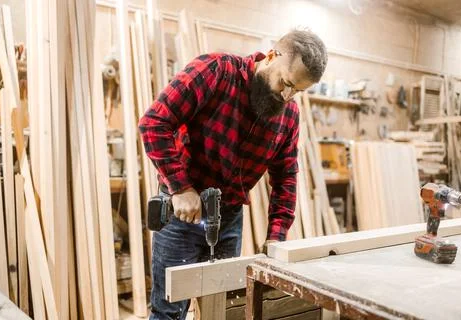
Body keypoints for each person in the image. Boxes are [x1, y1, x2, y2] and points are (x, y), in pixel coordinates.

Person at [138, 29, 328, 320]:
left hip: (228, 219)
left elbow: (286, 176)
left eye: (297, 91)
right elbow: (154, 122)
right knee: (168, 312)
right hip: (182, 213)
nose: (287, 95)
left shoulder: (288, 114)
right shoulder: (216, 71)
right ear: (271, 56)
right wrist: (180, 188)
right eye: (286, 83)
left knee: (223, 311)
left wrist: (276, 237)